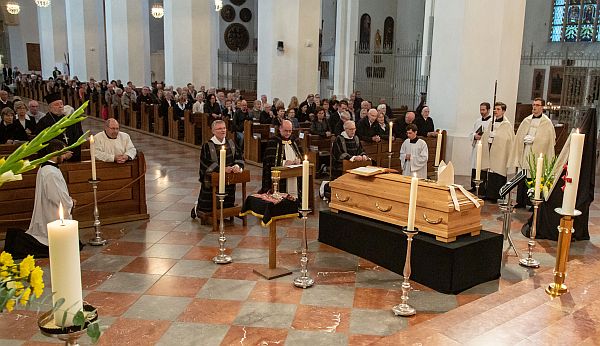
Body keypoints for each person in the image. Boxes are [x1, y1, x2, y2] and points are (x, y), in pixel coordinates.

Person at [26, 139, 75, 249]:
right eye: (62, 154)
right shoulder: (50, 172)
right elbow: (55, 196)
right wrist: (70, 202)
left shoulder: (47, 167)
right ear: (56, 153)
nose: (64, 157)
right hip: (52, 212)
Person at [191, 120, 244, 216]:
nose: (223, 130)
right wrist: (222, 169)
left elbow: (239, 158)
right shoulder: (207, 145)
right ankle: (196, 208)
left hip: (229, 182)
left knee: (227, 205)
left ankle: (226, 212)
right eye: (219, 129)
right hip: (212, 183)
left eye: (224, 128)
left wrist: (237, 166)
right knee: (208, 209)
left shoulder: (231, 143)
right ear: (213, 131)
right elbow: (205, 164)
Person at [513, 98, 555, 208]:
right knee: (523, 177)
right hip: (526, 152)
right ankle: (521, 201)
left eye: (537, 105)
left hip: (537, 156)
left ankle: (533, 202)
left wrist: (535, 140)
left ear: (542, 107)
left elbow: (548, 140)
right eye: (533, 105)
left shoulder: (547, 122)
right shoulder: (527, 120)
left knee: (534, 177)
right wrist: (524, 139)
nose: (534, 107)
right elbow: (519, 136)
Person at [481, 102, 515, 202]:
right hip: (491, 152)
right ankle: (489, 194)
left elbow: (508, 139)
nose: (496, 111)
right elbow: (485, 135)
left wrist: (497, 137)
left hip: (500, 154)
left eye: (498, 109)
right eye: (495, 109)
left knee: (498, 174)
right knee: (490, 174)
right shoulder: (491, 123)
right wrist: (489, 137)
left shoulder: (507, 125)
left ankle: (497, 195)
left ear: (503, 111)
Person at [261, 120, 304, 197]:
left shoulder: (295, 140)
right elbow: (269, 161)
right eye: (286, 131)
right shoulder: (273, 141)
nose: (288, 133)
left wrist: (299, 160)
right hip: (281, 177)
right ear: (280, 129)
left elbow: (301, 154)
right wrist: (284, 163)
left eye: (290, 131)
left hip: (295, 174)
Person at [37, 93, 84, 161]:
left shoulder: (69, 121)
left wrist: (71, 153)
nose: (60, 106)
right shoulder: (43, 122)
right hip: (54, 159)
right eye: (57, 104)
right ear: (50, 108)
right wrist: (61, 155)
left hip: (72, 157)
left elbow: (78, 137)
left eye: (61, 104)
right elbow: (43, 143)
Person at [469, 102, 493, 194]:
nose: (481, 112)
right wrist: (475, 136)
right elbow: (471, 133)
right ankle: (474, 186)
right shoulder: (478, 121)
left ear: (488, 110)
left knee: (482, 168)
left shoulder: (491, 122)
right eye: (480, 110)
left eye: (483, 110)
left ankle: (482, 188)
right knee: (475, 166)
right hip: (476, 148)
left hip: (485, 148)